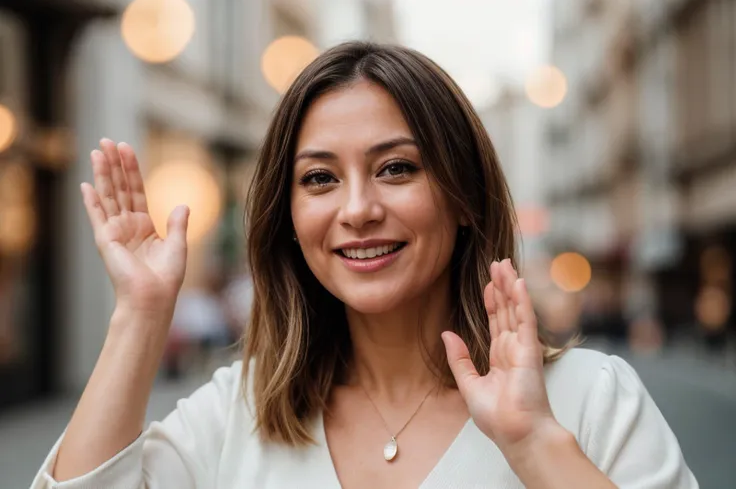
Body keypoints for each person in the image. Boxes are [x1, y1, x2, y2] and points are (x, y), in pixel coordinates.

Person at [31, 42, 697, 488]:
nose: (357, 208)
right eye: (319, 178)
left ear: (464, 196)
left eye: (397, 168)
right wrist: (141, 312)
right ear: (287, 218)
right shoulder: (239, 411)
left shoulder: (592, 397)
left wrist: (535, 444)